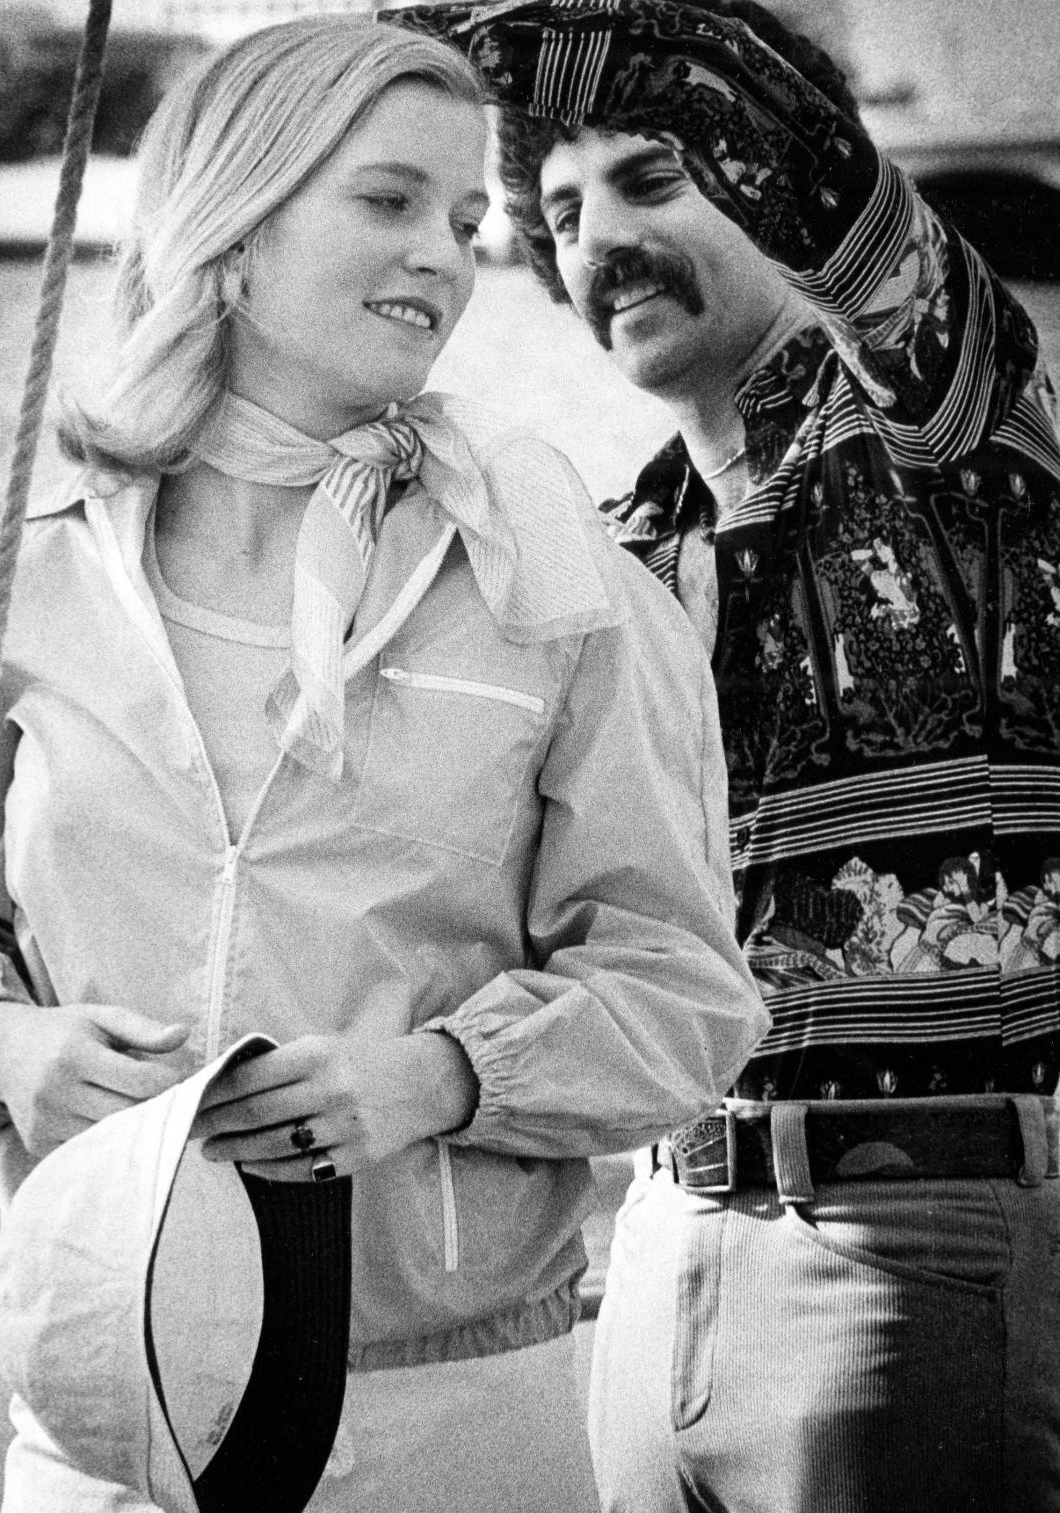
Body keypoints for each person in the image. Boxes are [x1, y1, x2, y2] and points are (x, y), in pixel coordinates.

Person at [0, 15, 769, 1513]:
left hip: (450, 1422)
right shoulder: (8, 594)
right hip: (97, 1430)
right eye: (388, 200)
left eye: (465, 220)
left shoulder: (561, 590)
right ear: (231, 223)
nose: (446, 254)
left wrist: (437, 1076)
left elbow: (685, 996)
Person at [389, 1, 1060, 1509]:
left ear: (769, 195)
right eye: (560, 212)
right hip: (656, 1248)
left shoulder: (953, 427)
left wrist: (414, 58)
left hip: (913, 1247)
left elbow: (786, 135)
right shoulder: (611, 551)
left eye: (652, 180)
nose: (598, 240)